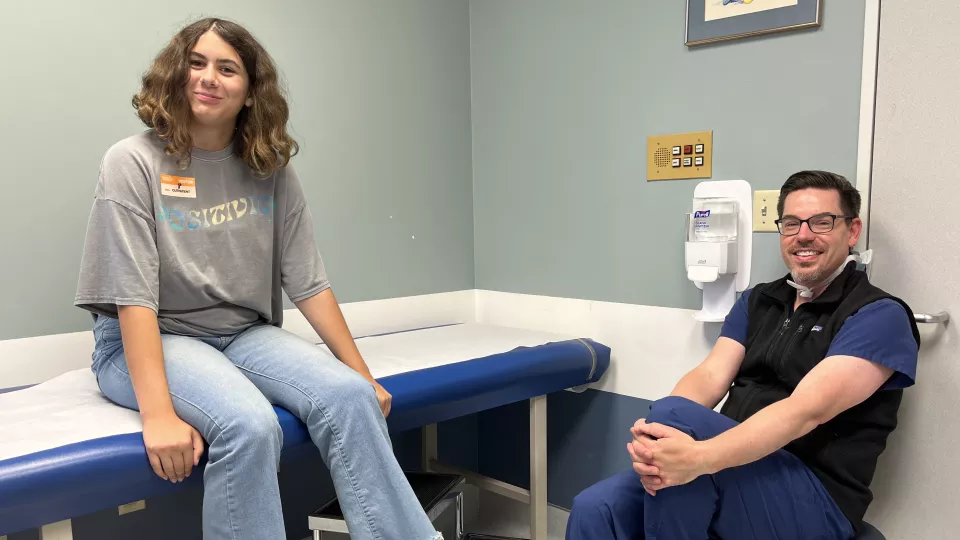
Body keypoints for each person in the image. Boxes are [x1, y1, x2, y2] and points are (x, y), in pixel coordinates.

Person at [74, 18, 441, 540]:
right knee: (248, 425)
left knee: (352, 399)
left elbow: (309, 281)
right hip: (152, 336)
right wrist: (158, 415)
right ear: (176, 75)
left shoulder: (269, 168)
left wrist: (361, 373)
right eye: (196, 64)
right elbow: (132, 298)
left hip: (242, 333)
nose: (207, 78)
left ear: (250, 92)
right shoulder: (131, 162)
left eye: (226, 68)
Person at [566, 171, 920, 540]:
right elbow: (709, 376)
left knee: (674, 416)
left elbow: (805, 411)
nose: (804, 235)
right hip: (731, 465)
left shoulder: (877, 315)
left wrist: (699, 457)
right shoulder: (759, 300)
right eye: (792, 223)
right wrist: (657, 438)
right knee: (595, 507)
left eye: (821, 222)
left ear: (852, 230)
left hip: (814, 495)